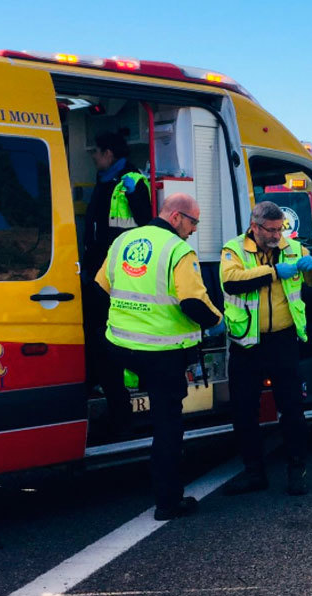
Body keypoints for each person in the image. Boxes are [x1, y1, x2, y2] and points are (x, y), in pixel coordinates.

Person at [97, 193, 223, 520]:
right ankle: (168, 502)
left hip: (120, 346)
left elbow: (102, 286)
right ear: (177, 216)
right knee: (168, 426)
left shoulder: (124, 240)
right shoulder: (178, 250)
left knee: (136, 411)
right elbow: (193, 304)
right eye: (193, 221)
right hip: (160, 353)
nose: (194, 229)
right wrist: (219, 321)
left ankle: (122, 442)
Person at [219, 201, 312, 496]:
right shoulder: (234, 250)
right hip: (247, 343)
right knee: (244, 411)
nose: (277, 235)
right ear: (254, 226)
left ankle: (297, 470)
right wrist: (274, 272)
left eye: (280, 229)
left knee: (292, 408)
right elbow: (231, 282)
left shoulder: (292, 247)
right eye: (271, 230)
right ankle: (254, 473)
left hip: (283, 339)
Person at [82, 131, 153, 439]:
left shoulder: (133, 181)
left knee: (111, 339)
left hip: (122, 273)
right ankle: (109, 393)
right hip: (100, 269)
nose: (94, 158)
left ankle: (125, 409)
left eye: (96, 153)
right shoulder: (107, 181)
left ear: (109, 153)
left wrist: (135, 193)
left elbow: (145, 222)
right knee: (98, 335)